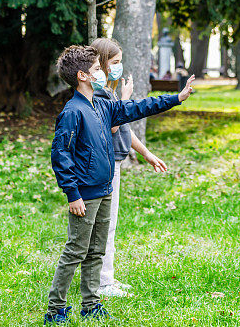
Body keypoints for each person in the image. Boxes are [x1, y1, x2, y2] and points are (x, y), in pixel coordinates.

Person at [45, 45, 195, 324]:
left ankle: (91, 303)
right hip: (85, 195)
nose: (102, 72)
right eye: (97, 70)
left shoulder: (102, 105)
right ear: (82, 76)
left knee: (96, 251)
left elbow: (137, 108)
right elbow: (60, 154)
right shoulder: (73, 111)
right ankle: (56, 309)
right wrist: (72, 194)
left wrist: (177, 98)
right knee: (76, 250)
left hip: (105, 189)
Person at [90, 38, 168, 298]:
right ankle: (101, 283)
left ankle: (106, 278)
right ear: (101, 62)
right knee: (105, 223)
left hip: (116, 162)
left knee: (109, 223)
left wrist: (146, 153)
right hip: (105, 163)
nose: (118, 67)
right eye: (114, 62)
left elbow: (123, 127)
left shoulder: (108, 92)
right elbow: (110, 126)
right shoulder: (98, 92)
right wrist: (124, 100)